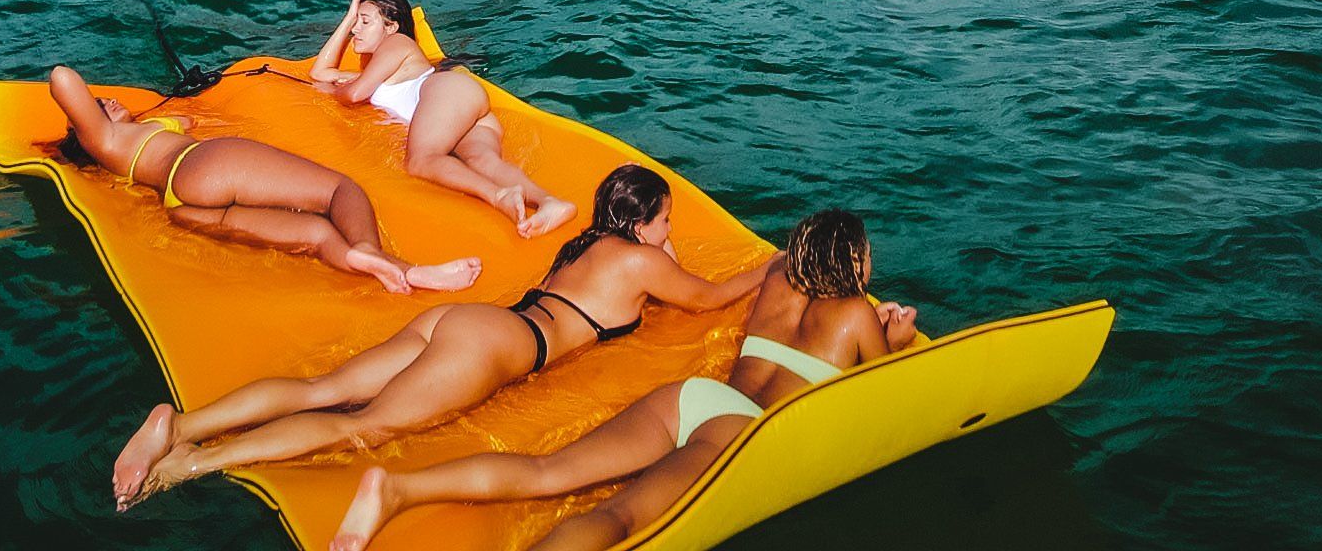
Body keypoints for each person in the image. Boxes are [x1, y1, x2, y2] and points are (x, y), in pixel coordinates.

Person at [111, 165, 767, 511]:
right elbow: (708, 298)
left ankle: (184, 422)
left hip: (468, 321)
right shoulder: (640, 258)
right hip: (495, 345)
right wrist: (772, 263)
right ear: (645, 220)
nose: (667, 231)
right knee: (360, 428)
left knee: (327, 389)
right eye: (665, 219)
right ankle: (189, 465)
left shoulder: (583, 248)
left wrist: (657, 241)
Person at [326, 209, 915, 551]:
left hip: (694, 400)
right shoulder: (857, 314)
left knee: (547, 471)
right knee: (619, 518)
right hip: (740, 431)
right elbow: (873, 381)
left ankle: (397, 490)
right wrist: (899, 337)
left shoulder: (778, 283)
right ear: (857, 262)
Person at [45, 66, 479, 298]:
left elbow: (184, 116)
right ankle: (370, 250)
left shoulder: (126, 143)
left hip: (181, 207)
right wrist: (84, 121)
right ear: (85, 129)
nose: (110, 99)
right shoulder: (104, 140)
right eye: (100, 103)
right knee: (340, 191)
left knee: (316, 234)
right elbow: (62, 78)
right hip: (203, 165)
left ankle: (411, 274)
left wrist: (139, 116)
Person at [311, 0, 576, 238]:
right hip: (458, 106)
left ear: (391, 27)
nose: (356, 29)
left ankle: (498, 196)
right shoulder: (376, 72)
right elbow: (319, 73)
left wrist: (341, 89)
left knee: (420, 160)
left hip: (445, 91)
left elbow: (353, 95)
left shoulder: (396, 42)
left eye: (364, 21)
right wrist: (348, 17)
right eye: (355, 22)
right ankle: (550, 203)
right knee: (484, 162)